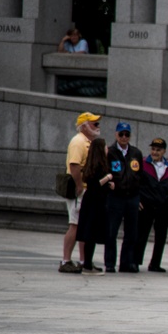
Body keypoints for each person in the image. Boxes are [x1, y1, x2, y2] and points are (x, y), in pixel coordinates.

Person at [60, 111, 101, 273]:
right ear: (84, 126)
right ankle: (66, 260)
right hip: (80, 189)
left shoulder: (89, 142)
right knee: (75, 225)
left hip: (87, 189)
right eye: (94, 124)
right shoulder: (78, 142)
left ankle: (85, 261)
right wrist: (79, 186)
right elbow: (74, 166)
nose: (98, 127)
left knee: (84, 226)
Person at [135, 137, 168, 273]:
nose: (155, 152)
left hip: (162, 206)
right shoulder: (143, 164)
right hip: (146, 205)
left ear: (164, 151)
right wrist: (137, 199)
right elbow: (136, 183)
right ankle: (135, 261)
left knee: (161, 236)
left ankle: (155, 263)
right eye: (153, 149)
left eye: (158, 150)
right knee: (142, 234)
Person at [105, 122, 144, 273]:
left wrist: (139, 196)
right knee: (111, 231)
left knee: (132, 232)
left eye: (127, 134)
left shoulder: (136, 153)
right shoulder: (110, 151)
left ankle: (127, 262)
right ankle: (110, 263)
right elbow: (105, 171)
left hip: (132, 196)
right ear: (116, 134)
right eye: (121, 134)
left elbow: (140, 175)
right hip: (116, 197)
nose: (124, 137)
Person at [74, 138, 112, 276]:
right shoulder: (98, 166)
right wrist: (108, 178)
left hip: (94, 201)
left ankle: (88, 262)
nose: (107, 149)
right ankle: (87, 265)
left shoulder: (93, 164)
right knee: (91, 233)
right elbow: (96, 184)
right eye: (105, 147)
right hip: (94, 203)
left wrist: (109, 185)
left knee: (92, 234)